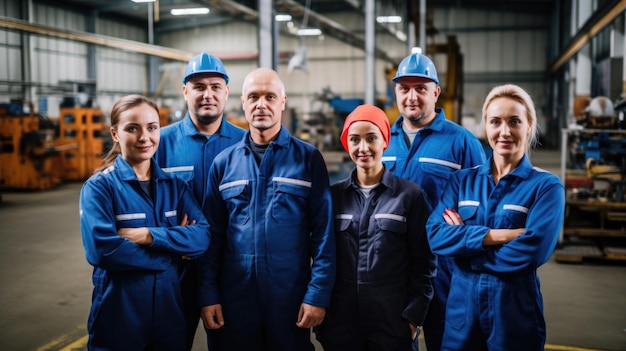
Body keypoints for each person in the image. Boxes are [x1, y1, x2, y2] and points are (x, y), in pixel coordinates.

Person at [198, 67, 336, 351]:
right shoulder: (223, 164)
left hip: (290, 299)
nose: (261, 104)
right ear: (243, 102)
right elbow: (211, 237)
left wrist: (317, 294)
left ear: (282, 101)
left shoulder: (308, 160)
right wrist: (208, 294)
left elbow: (324, 235)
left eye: (270, 96)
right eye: (254, 97)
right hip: (235, 298)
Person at [426, 84, 565, 351]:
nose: (504, 131)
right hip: (461, 314)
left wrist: (465, 249)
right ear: (485, 126)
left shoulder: (546, 187)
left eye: (514, 121)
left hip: (513, 314)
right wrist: (495, 236)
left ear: (529, 125)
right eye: (495, 121)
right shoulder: (461, 181)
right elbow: (435, 235)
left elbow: (533, 251)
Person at [79, 94, 210, 350]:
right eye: (132, 128)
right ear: (115, 134)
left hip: (169, 316)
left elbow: (202, 236)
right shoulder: (100, 188)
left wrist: (150, 236)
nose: (144, 137)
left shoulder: (176, 187)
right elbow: (103, 251)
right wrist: (173, 253)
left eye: (152, 127)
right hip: (119, 317)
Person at [382, 48, 487, 351]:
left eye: (421, 89)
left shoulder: (461, 142)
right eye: (404, 89)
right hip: (395, 267)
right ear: (396, 92)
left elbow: (482, 201)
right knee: (399, 341)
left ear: (436, 92)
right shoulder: (383, 141)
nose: (412, 96)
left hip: (447, 268)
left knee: (449, 342)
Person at [315, 104, 436, 351]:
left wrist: (413, 318)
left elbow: (424, 263)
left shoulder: (409, 196)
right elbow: (319, 257)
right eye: (355, 139)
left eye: (371, 138)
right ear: (346, 144)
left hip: (392, 323)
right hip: (341, 323)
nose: (363, 147)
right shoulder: (332, 196)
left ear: (385, 141)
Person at [155, 52, 245, 349]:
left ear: (226, 91)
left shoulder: (246, 144)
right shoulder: (159, 143)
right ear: (185, 91)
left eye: (215, 86)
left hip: (229, 271)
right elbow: (140, 200)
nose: (208, 94)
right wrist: (171, 239)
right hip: (174, 270)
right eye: (198, 86)